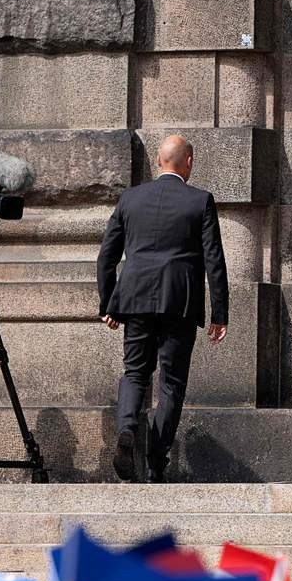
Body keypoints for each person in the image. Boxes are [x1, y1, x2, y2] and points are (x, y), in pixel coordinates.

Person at [97, 135, 229, 483]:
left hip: (136, 298)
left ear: (159, 162)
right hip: (179, 301)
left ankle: (127, 429)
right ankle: (156, 458)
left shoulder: (131, 198)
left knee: (135, 371)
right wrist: (220, 312)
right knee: (172, 382)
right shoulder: (200, 201)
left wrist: (109, 303)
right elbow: (214, 259)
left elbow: (107, 256)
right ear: (189, 162)